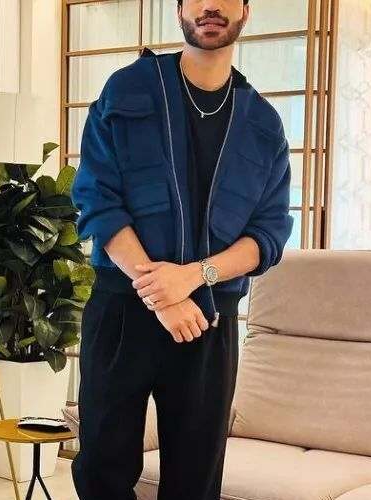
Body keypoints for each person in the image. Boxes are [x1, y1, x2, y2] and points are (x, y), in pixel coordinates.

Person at [70, 0, 294, 498]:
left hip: (209, 320)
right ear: (179, 9)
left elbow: (269, 234)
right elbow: (97, 199)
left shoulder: (263, 125)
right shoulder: (127, 89)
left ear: (245, 10)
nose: (210, 6)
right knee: (102, 470)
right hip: (122, 309)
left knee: (195, 481)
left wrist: (193, 277)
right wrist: (162, 294)